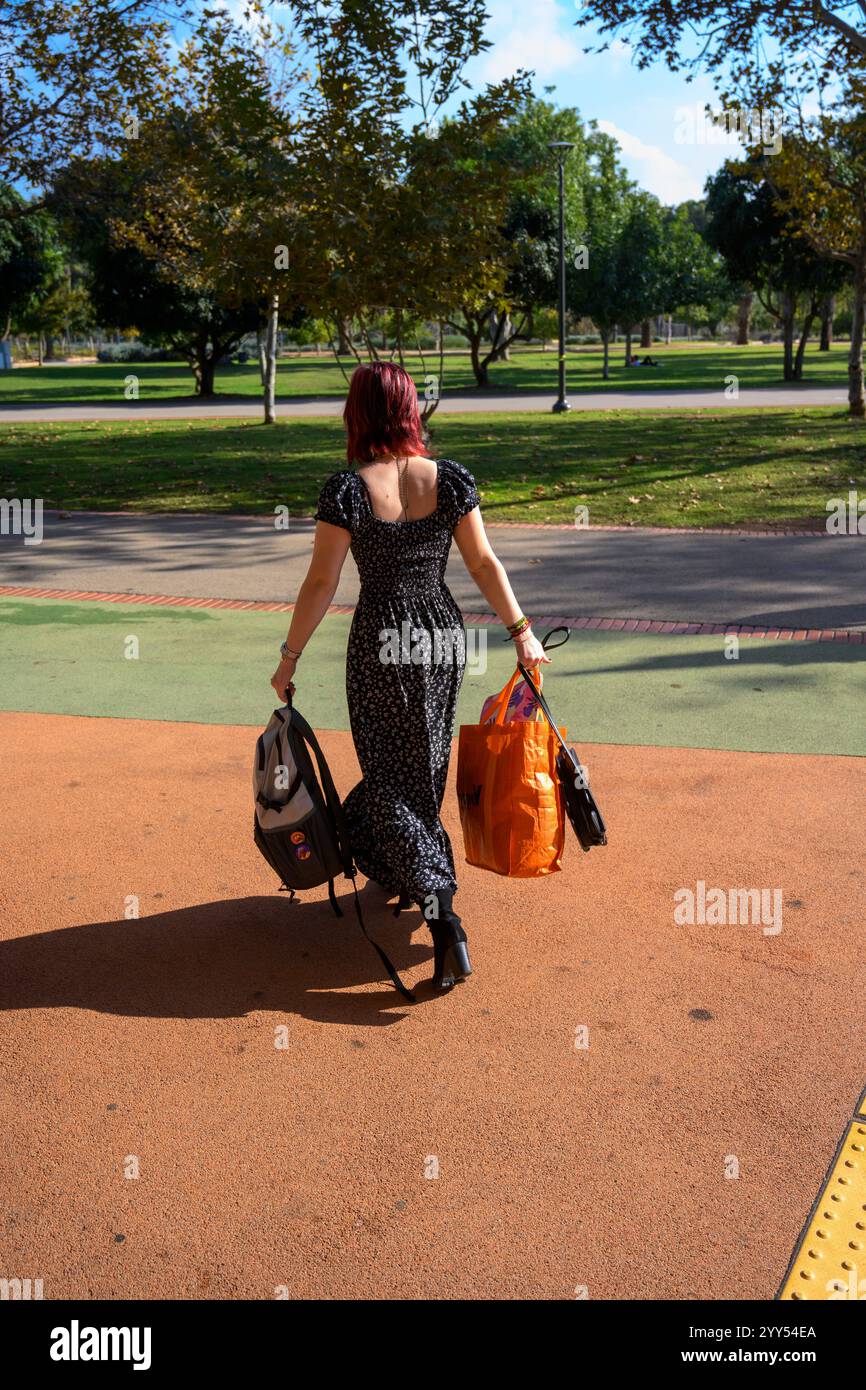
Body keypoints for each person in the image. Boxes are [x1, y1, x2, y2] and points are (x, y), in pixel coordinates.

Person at [270, 361, 550, 992]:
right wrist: (521, 630)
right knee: (419, 769)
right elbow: (481, 562)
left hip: (379, 640)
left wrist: (289, 657)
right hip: (438, 635)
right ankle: (403, 873)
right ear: (411, 410)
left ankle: (440, 908)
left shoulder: (346, 489)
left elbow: (321, 582)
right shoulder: (448, 479)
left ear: (359, 413)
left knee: (393, 778)